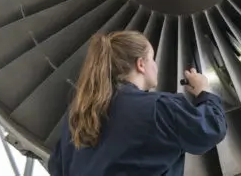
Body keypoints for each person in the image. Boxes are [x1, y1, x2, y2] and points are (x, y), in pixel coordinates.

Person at [48, 30, 227, 176]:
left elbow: (56, 168)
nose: (156, 66)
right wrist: (204, 92)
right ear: (141, 64)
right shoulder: (159, 107)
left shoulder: (77, 116)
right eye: (152, 59)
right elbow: (210, 129)